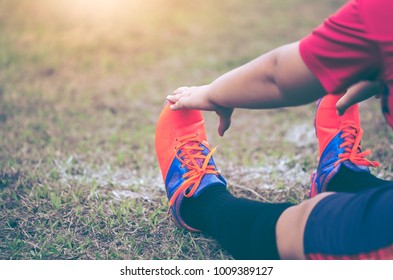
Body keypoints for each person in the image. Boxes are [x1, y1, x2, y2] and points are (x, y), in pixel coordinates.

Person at [155, 0, 393, 259]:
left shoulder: (381, 15)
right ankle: (343, 178)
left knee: (300, 223)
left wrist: (212, 94)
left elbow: (278, 76)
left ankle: (200, 203)